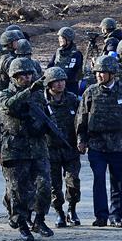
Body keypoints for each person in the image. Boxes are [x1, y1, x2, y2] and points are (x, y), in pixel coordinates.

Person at [76, 55, 122, 228]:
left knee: (118, 181)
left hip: (119, 144)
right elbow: (81, 118)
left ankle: (116, 216)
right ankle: (101, 215)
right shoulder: (90, 92)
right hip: (97, 144)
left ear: (112, 73)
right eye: (97, 72)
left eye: (103, 72)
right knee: (99, 180)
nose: (99, 75)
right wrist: (81, 140)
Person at [0, 58, 54, 241]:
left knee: (44, 185)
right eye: (22, 75)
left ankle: (39, 220)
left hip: (37, 147)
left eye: (29, 74)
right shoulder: (5, 94)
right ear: (14, 77)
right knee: (19, 189)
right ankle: (21, 223)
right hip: (15, 149)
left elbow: (47, 115)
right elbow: (9, 106)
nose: (27, 78)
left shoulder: (38, 95)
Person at [42, 67, 81, 228]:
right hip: (50, 149)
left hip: (70, 148)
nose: (60, 84)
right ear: (49, 84)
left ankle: (72, 209)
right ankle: (59, 212)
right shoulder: (42, 103)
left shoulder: (72, 100)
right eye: (56, 81)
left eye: (62, 81)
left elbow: (81, 121)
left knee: (73, 181)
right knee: (54, 185)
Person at [47, 27, 83, 95]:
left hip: (70, 86)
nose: (60, 40)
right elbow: (50, 66)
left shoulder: (76, 54)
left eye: (62, 38)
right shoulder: (58, 52)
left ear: (68, 40)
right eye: (59, 38)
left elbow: (72, 71)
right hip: (55, 86)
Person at [0, 30, 23, 94]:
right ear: (9, 44)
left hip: (0, 94)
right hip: (9, 94)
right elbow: (15, 79)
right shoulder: (9, 59)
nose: (17, 42)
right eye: (16, 41)